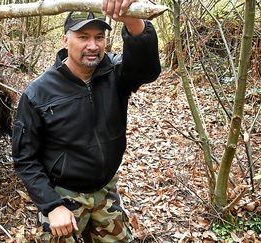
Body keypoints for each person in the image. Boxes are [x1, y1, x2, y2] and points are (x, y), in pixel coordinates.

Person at [12, 0, 161, 241]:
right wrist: (51, 206)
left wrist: (132, 19)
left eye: (99, 37)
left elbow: (146, 70)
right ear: (65, 40)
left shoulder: (114, 73)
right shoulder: (38, 93)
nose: (92, 45)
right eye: (83, 37)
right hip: (62, 194)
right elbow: (24, 159)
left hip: (105, 189)